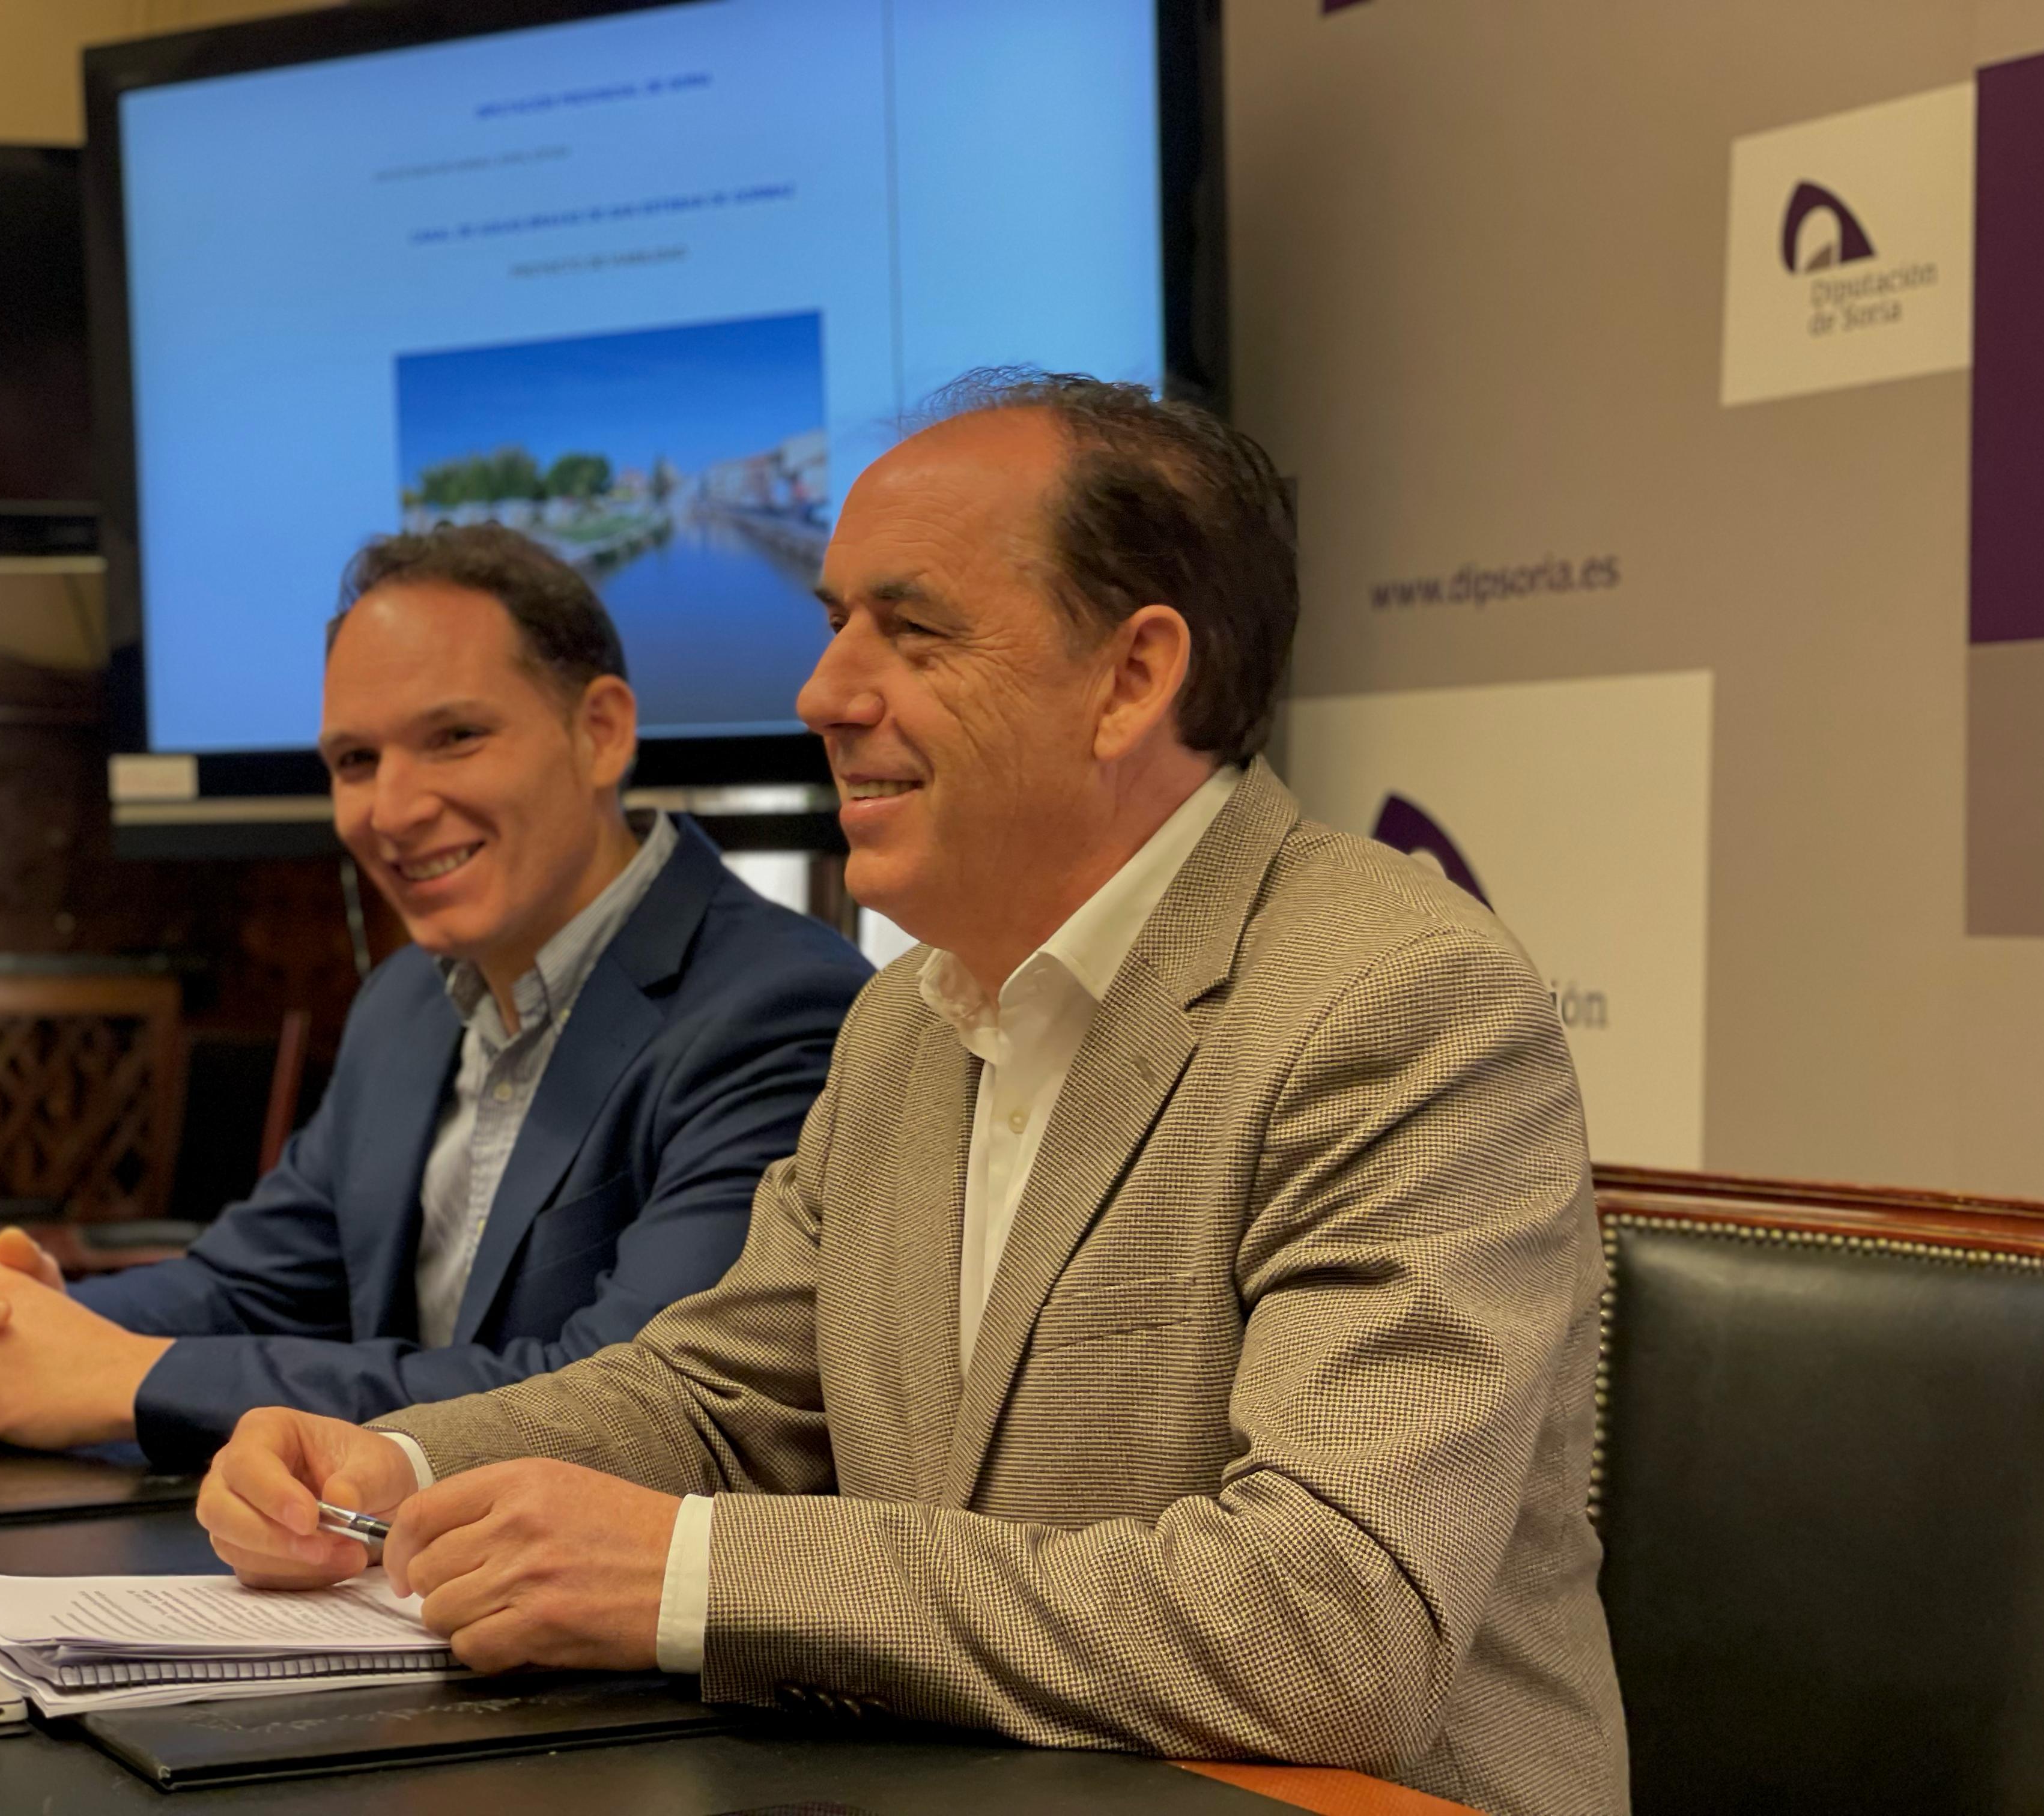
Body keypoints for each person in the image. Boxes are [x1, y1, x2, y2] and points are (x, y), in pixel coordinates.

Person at [193, 375, 1629, 1816]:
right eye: (833, 627)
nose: (823, 694)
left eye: (914, 631)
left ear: (1133, 679)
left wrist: (692, 1576)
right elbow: (720, 1398)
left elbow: (1334, 1629)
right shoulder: (905, 1019)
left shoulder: (1401, 998)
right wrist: (394, 1466)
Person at [0, 525, 870, 1469]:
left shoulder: (783, 1012)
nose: (391, 810)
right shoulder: (404, 1001)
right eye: (356, 761)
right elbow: (247, 1285)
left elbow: (621, 1403)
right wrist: (10, 1327)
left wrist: (126, 1377)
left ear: (602, 732)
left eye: (454, 738)